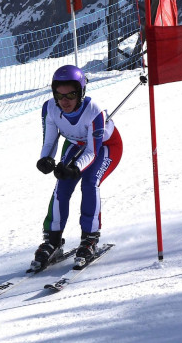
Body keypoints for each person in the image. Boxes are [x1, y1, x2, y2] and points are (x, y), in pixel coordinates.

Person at [33, 65, 123, 270]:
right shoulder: (50, 108)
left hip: (106, 147)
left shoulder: (94, 111)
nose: (65, 101)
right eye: (60, 95)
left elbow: (92, 151)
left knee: (90, 183)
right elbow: (49, 141)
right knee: (62, 185)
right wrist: (46, 159)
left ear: (81, 93)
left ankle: (90, 238)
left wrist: (75, 169)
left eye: (71, 94)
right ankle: (52, 239)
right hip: (76, 144)